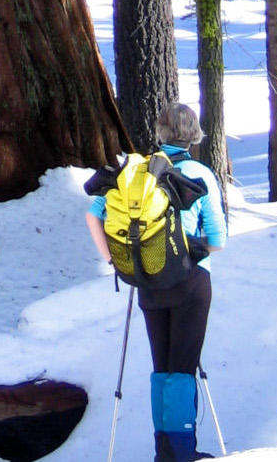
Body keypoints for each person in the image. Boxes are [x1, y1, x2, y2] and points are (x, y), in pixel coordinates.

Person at [85, 103, 227, 462]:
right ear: (193, 133)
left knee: (161, 368)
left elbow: (93, 214)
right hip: (191, 284)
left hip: (147, 282)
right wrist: (194, 251)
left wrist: (115, 261)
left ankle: (164, 450)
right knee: (181, 369)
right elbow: (218, 239)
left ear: (161, 132)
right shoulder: (200, 173)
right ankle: (181, 453)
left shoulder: (139, 173)